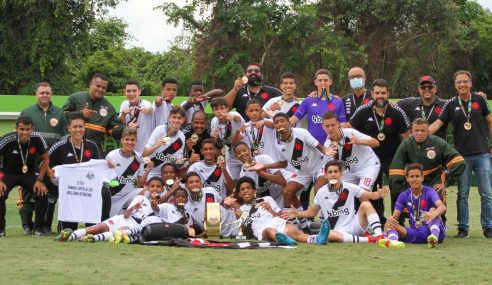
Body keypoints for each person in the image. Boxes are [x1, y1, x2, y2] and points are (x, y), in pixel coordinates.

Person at [429, 70, 492, 238]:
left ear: (470, 83)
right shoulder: (450, 104)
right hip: (461, 157)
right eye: (459, 82)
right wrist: (423, 133)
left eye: (465, 82)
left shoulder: (480, 100)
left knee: (486, 193)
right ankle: (463, 228)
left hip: (482, 154)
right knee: (462, 193)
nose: (462, 85)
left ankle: (488, 227)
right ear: (455, 85)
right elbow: (438, 123)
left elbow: (490, 121)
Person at [248, 112, 335, 231]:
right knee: (288, 192)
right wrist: (263, 165)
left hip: (320, 165)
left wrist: (326, 151)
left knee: (319, 190)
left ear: (289, 123)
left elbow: (320, 147)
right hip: (304, 172)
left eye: (282, 121)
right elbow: (283, 164)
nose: (279, 124)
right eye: (276, 122)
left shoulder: (302, 133)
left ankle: (327, 223)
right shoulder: (278, 144)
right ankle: (301, 227)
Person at [348, 79, 411, 223]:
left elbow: (407, 137)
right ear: (372, 94)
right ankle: (378, 221)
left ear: (388, 94)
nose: (380, 96)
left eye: (383, 93)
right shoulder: (363, 111)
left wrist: (407, 158)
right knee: (373, 190)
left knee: (397, 188)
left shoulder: (396, 112)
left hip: (393, 158)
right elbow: (348, 129)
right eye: (377, 93)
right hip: (369, 159)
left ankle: (398, 221)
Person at [283, 160, 387, 243]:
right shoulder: (321, 192)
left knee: (365, 204)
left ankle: (379, 236)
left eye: (336, 172)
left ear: (341, 174)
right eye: (330, 172)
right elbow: (313, 212)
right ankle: (369, 239)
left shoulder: (350, 187)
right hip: (337, 232)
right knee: (330, 234)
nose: (333, 175)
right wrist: (297, 213)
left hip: (354, 226)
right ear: (326, 175)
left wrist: (378, 194)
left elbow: (369, 195)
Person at [389, 118, 465, 223]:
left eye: (423, 130)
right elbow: (395, 171)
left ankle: (440, 223)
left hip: (434, 180)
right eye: (416, 130)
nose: (419, 133)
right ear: (411, 131)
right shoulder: (406, 144)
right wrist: (399, 188)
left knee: (437, 199)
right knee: (397, 192)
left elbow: (459, 162)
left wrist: (446, 181)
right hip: (415, 179)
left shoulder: (438, 142)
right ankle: (399, 224)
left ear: (428, 131)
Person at [55, 176, 169, 243]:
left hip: (135, 226)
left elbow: (157, 210)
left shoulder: (164, 205)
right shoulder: (140, 198)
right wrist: (134, 207)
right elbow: (126, 215)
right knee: (99, 227)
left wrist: (154, 204)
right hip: (124, 218)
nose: (155, 189)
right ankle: (69, 235)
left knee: (118, 232)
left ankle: (92, 239)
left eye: (158, 187)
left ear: (162, 189)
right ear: (148, 187)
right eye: (152, 186)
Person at [47, 114, 109, 232]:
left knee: (105, 192)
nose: (78, 130)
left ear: (84, 128)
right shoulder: (59, 146)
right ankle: (65, 224)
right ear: (68, 128)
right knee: (68, 231)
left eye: (81, 126)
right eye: (75, 127)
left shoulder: (92, 145)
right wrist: (51, 173)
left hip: (87, 187)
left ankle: (99, 226)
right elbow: (45, 163)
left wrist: (107, 164)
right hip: (68, 189)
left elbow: (98, 168)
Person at [20, 82, 68, 234]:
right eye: (42, 93)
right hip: (31, 161)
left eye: (47, 93)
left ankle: (45, 226)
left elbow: (64, 139)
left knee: (50, 195)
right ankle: (27, 225)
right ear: (36, 94)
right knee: (29, 193)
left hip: (52, 163)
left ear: (51, 94)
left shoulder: (59, 113)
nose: (45, 95)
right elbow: (21, 136)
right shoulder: (27, 112)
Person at [235, 176, 330, 245]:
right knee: (269, 231)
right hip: (261, 229)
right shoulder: (241, 209)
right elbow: (246, 234)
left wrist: (270, 210)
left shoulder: (267, 199)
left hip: (276, 221)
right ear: (239, 193)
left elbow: (280, 216)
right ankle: (283, 239)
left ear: (254, 190)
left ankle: (317, 239)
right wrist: (240, 218)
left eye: (249, 188)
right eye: (242, 189)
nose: (246, 191)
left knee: (295, 232)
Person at [0, 115, 49, 237]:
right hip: (8, 173)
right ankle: (1, 229)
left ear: (32, 129)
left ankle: (38, 228)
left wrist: (39, 179)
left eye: (28, 129)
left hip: (29, 173)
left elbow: (46, 158)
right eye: (21, 129)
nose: (25, 132)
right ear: (16, 129)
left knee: (43, 192)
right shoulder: (7, 139)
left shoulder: (37, 138)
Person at [379, 163, 446, 248]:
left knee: (433, 210)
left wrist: (434, 213)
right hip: (416, 231)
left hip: (434, 230)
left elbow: (442, 207)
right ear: (407, 178)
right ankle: (393, 241)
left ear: (422, 178)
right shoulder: (404, 195)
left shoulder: (430, 191)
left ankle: (433, 239)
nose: (415, 179)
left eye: (417, 176)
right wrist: (389, 222)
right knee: (392, 223)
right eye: (412, 176)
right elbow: (395, 217)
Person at [62, 73, 123, 154]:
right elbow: (61, 117)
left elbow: (115, 129)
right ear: (91, 84)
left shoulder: (109, 107)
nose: (100, 89)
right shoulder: (75, 98)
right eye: (98, 86)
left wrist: (127, 129)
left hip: (95, 151)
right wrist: (80, 114)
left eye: (103, 88)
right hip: (71, 148)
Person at [290, 69, 347, 145]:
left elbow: (343, 127)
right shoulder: (308, 100)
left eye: (325, 80)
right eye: (320, 80)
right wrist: (274, 118)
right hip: (313, 145)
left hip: (332, 145)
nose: (323, 83)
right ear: (315, 82)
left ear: (330, 82)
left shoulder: (338, 102)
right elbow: (292, 120)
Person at [105, 127, 149, 217]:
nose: (130, 142)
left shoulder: (139, 158)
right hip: (113, 197)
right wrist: (114, 182)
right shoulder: (112, 156)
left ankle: (142, 219)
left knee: (148, 192)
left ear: (136, 141)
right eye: (127, 139)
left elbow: (140, 183)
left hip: (129, 195)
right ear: (122, 140)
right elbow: (104, 181)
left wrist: (148, 170)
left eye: (132, 140)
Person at [182, 172, 238, 237]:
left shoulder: (210, 190)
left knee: (212, 208)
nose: (194, 184)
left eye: (197, 181)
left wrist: (226, 202)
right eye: (191, 182)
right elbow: (191, 228)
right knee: (211, 209)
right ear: (186, 185)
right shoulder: (187, 206)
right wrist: (202, 235)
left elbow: (222, 205)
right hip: (212, 231)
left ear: (201, 184)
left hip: (231, 224)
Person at [233, 142, 286, 207]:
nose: (242, 154)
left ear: (249, 150)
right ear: (236, 157)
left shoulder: (263, 158)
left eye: (244, 150)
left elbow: (282, 181)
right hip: (270, 200)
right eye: (238, 153)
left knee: (287, 191)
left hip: (283, 191)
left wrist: (260, 173)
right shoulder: (243, 175)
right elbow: (256, 193)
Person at [397, 75, 447, 140]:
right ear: (419, 90)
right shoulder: (410, 103)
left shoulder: (444, 105)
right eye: (423, 87)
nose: (426, 89)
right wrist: (407, 134)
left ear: (435, 89)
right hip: (417, 147)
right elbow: (393, 108)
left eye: (430, 87)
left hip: (438, 147)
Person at [143, 106, 186, 179]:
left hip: (168, 175)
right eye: (174, 117)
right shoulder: (159, 130)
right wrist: (156, 146)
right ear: (169, 118)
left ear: (183, 120)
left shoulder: (182, 137)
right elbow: (144, 154)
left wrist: (183, 162)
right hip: (151, 173)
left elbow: (178, 161)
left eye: (179, 118)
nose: (176, 120)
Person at [209, 97, 246, 179]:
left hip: (244, 153)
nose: (219, 111)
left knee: (248, 180)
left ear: (227, 108)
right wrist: (213, 138)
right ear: (212, 111)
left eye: (222, 108)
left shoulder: (234, 115)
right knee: (232, 182)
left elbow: (238, 119)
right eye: (216, 109)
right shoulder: (214, 121)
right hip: (230, 157)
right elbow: (216, 143)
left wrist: (231, 117)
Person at [119, 80, 153, 153]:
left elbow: (151, 110)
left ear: (139, 91)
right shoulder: (124, 104)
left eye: (134, 91)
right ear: (124, 92)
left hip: (144, 149)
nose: (131, 94)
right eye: (128, 91)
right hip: (129, 148)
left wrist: (148, 110)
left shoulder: (146, 104)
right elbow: (120, 124)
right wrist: (123, 114)